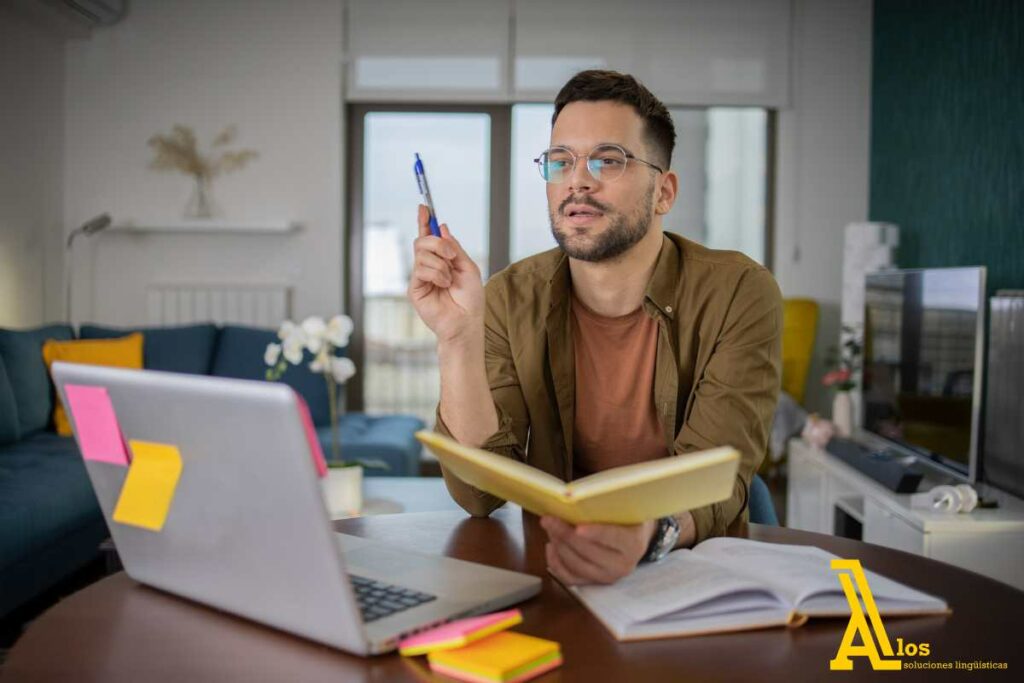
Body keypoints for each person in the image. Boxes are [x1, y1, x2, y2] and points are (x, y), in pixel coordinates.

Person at [408, 70, 782, 585]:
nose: (577, 180)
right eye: (560, 161)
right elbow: (478, 493)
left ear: (663, 192)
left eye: (608, 159)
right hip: (559, 567)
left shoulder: (739, 291)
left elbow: (719, 476)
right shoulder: (508, 297)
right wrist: (456, 340)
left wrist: (645, 536)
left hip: (692, 570)